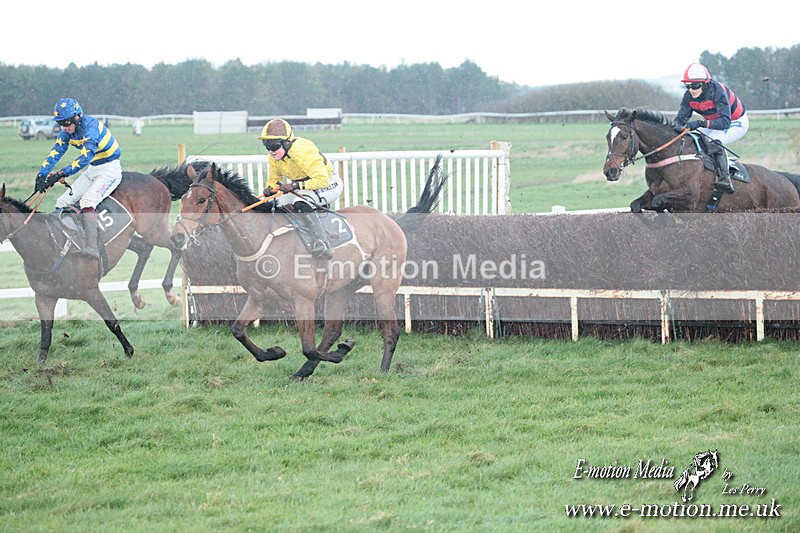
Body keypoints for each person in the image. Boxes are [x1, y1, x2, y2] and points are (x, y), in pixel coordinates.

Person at [34, 98, 122, 260]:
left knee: (87, 201)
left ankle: (92, 247)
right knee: (61, 202)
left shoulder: (91, 127)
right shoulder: (67, 132)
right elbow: (56, 152)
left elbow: (85, 158)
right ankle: (64, 242)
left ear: (77, 117)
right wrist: (42, 174)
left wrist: (61, 174)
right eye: (60, 123)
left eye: (66, 122)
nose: (64, 127)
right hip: (93, 170)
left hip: (109, 169)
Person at [258, 118, 343, 259]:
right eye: (266, 146)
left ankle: (322, 242)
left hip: (328, 183)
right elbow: (273, 179)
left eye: (273, 146)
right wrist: (269, 189)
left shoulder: (303, 151)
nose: (271, 151)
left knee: (300, 203)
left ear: (287, 143)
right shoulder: (274, 157)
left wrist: (294, 186)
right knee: (277, 203)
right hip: (303, 186)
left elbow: (321, 180)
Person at [672, 63, 748, 194]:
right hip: (714, 122)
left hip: (736, 122)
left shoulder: (718, 92)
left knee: (714, 140)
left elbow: (724, 122)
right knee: (692, 137)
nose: (691, 89)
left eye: (695, 85)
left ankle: (725, 178)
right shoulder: (688, 96)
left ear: (705, 83)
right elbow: (679, 120)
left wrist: (700, 123)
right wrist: (676, 128)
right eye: (688, 86)